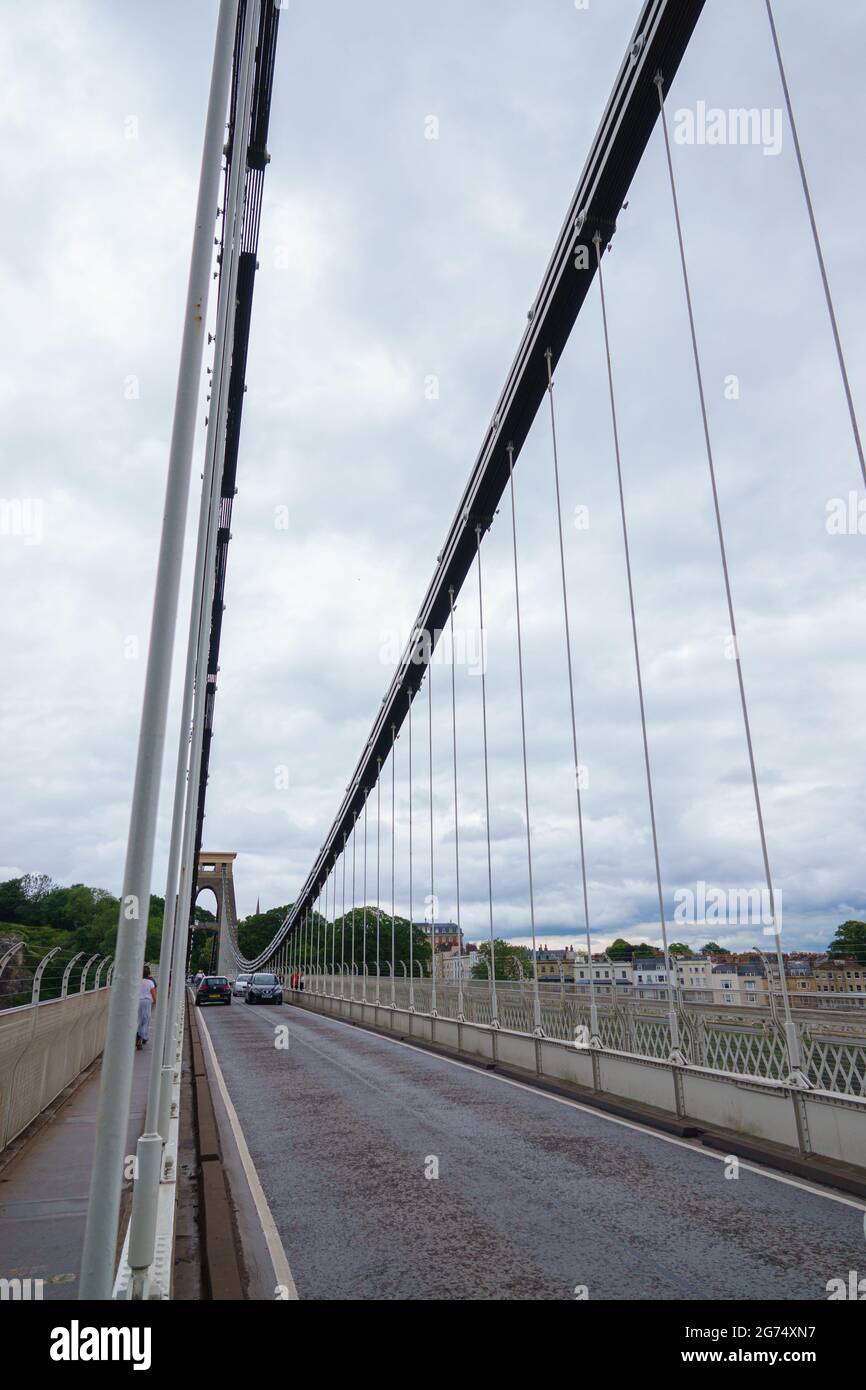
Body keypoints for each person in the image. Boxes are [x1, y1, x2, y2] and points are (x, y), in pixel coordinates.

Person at [136, 966, 157, 1051]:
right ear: (148, 974)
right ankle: (141, 1037)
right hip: (147, 1002)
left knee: (138, 1019)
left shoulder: (138, 981)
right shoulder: (150, 982)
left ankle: (138, 1034)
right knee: (146, 1020)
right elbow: (153, 994)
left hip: (138, 1001)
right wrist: (155, 1001)